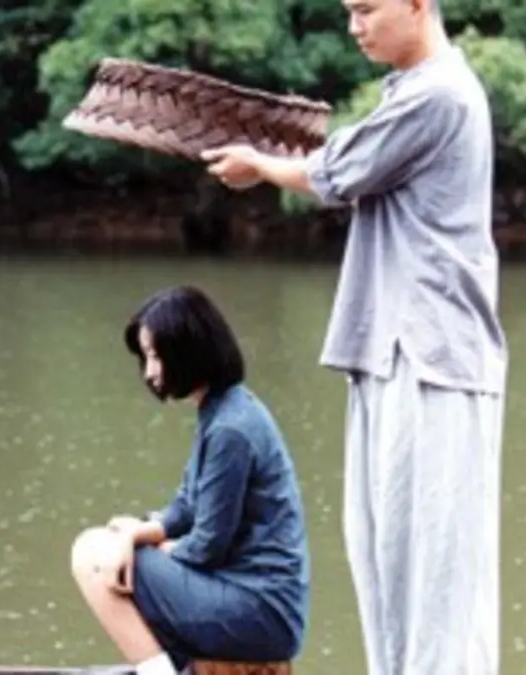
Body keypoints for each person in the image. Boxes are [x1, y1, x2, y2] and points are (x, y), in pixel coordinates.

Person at [199, 0, 509, 674]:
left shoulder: (440, 94)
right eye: (347, 11)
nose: (354, 26)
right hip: (392, 353)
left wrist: (261, 163)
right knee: (385, 557)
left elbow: (339, 170)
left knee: (435, 572)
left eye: (366, 8)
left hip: (432, 359)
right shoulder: (411, 92)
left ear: (418, 4)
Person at [69, 286, 310, 675]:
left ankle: (157, 673)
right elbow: (187, 506)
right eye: (146, 357)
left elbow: (207, 546)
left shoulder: (231, 428)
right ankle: (171, 665)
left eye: (156, 356)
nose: (149, 372)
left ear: (188, 350)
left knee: (92, 553)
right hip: (249, 603)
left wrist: (159, 549)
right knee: (114, 543)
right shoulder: (222, 410)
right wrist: (139, 532)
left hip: (260, 611)